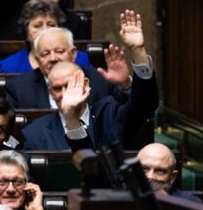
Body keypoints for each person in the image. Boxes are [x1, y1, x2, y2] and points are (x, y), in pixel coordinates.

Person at [21, 11, 157, 151]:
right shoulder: (33, 133)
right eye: (57, 89)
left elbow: (145, 105)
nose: (64, 93)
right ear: (50, 92)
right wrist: (70, 118)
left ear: (85, 84)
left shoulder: (110, 114)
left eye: (70, 85)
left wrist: (138, 51)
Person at [4, 26, 124, 110]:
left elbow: (128, 113)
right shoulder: (18, 88)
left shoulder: (100, 80)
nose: (53, 58)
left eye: (59, 51)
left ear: (73, 54)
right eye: (45, 54)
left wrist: (125, 84)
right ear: (37, 60)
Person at [0, 0, 90, 73]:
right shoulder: (10, 67)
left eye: (51, 25)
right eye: (37, 26)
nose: (45, 30)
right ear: (26, 34)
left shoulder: (81, 60)